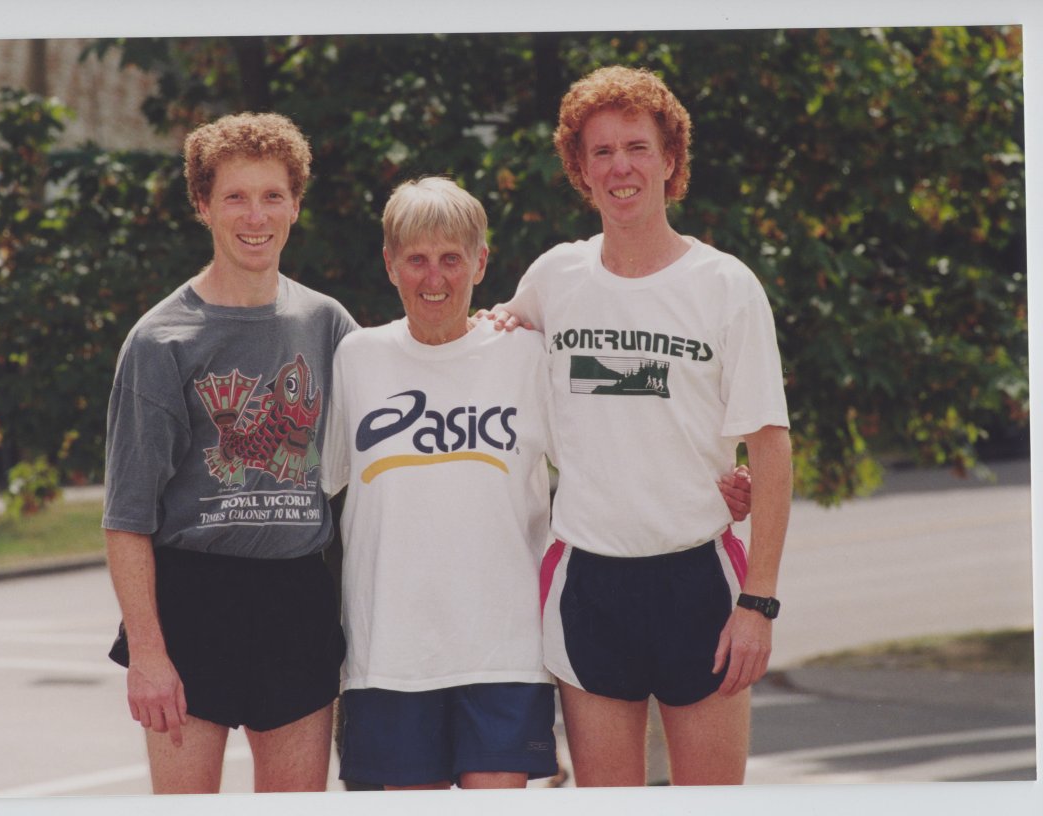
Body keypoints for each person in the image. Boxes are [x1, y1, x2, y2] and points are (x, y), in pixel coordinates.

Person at [321, 176, 752, 791]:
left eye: (451, 259)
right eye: (416, 260)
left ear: (481, 262)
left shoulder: (526, 354)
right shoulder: (356, 358)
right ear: (390, 265)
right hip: (388, 655)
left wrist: (713, 477)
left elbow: (627, 414)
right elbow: (314, 488)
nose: (434, 278)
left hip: (505, 652)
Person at [487, 65, 792, 786]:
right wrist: (490, 322)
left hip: (699, 581)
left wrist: (759, 604)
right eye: (601, 151)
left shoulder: (725, 286)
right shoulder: (554, 278)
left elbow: (771, 449)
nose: (620, 166)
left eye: (637, 148)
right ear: (581, 169)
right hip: (589, 581)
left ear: (670, 159)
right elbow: (492, 347)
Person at [101, 111, 356, 794]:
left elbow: (405, 388)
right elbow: (126, 518)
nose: (255, 215)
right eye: (236, 197)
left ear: (295, 205)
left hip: (297, 597)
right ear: (203, 206)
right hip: (193, 601)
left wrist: (496, 327)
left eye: (272, 195)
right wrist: (148, 654)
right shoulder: (160, 340)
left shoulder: (327, 324)